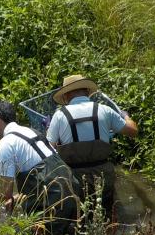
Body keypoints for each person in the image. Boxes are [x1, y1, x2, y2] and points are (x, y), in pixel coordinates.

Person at [0, 100, 80, 235]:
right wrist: (19, 198)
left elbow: (3, 194)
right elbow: (46, 176)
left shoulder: (7, 143)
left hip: (53, 202)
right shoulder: (33, 132)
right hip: (73, 192)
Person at [46, 75, 138, 220]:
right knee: (107, 215)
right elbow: (133, 131)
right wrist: (126, 116)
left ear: (66, 96)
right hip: (103, 176)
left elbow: (48, 151)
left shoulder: (59, 116)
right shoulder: (105, 110)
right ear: (88, 91)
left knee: (79, 219)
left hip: (74, 180)